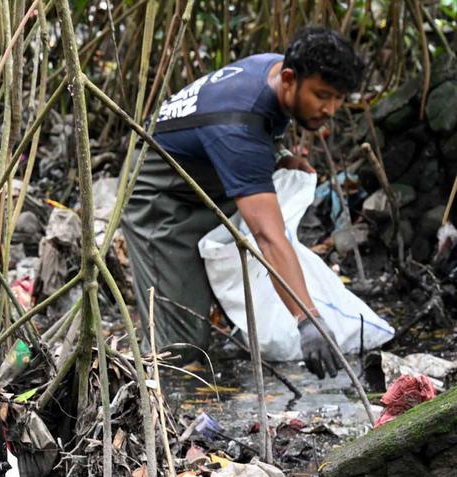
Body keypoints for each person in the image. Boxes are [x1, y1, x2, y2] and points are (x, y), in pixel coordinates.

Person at [121, 26, 365, 377]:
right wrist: (307, 320)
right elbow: (267, 236)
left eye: (338, 98)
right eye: (322, 95)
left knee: (229, 291)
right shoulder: (238, 125)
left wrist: (279, 155)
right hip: (162, 201)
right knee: (180, 350)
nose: (330, 108)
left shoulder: (271, 72)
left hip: (211, 179)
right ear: (288, 78)